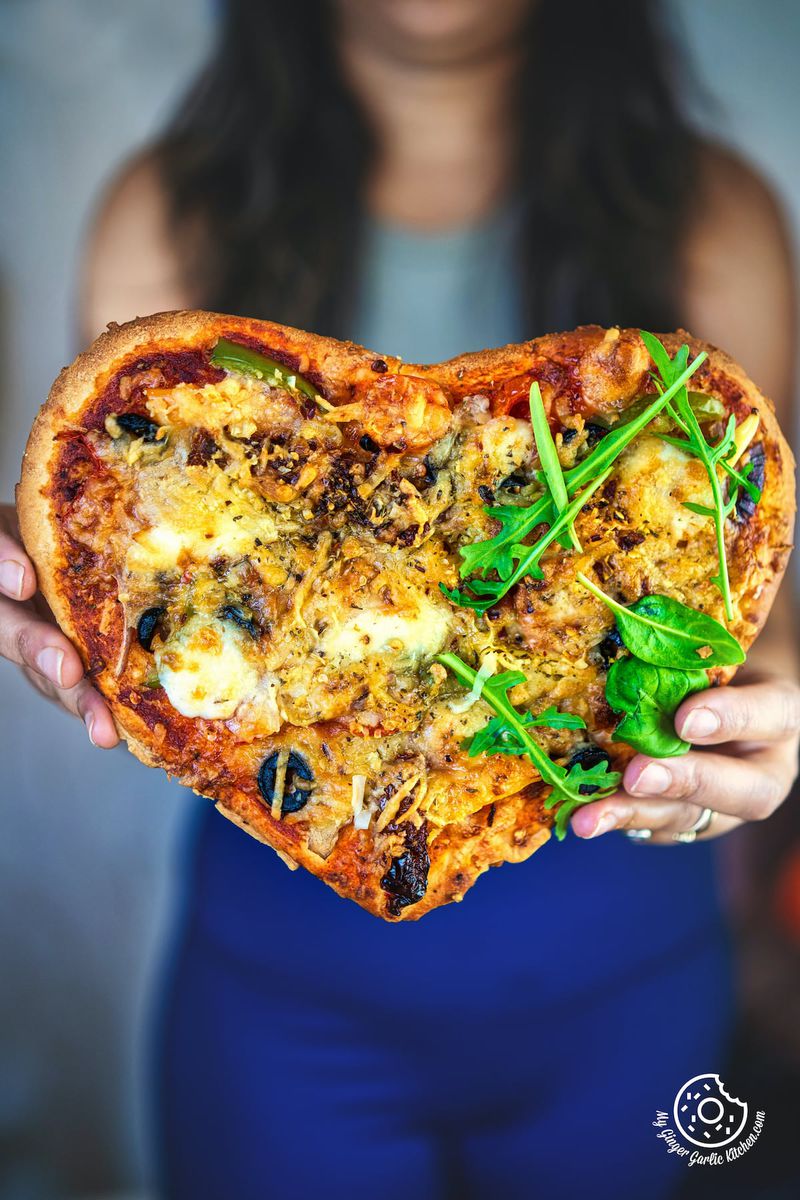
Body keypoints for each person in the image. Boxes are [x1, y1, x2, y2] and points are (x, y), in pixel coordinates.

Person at [1, 1, 798, 1196]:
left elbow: (748, 583)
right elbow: (136, 562)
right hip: (279, 1000)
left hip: (629, 985)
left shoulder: (715, 216)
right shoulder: (165, 212)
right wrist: (67, 578)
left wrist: (769, 708)